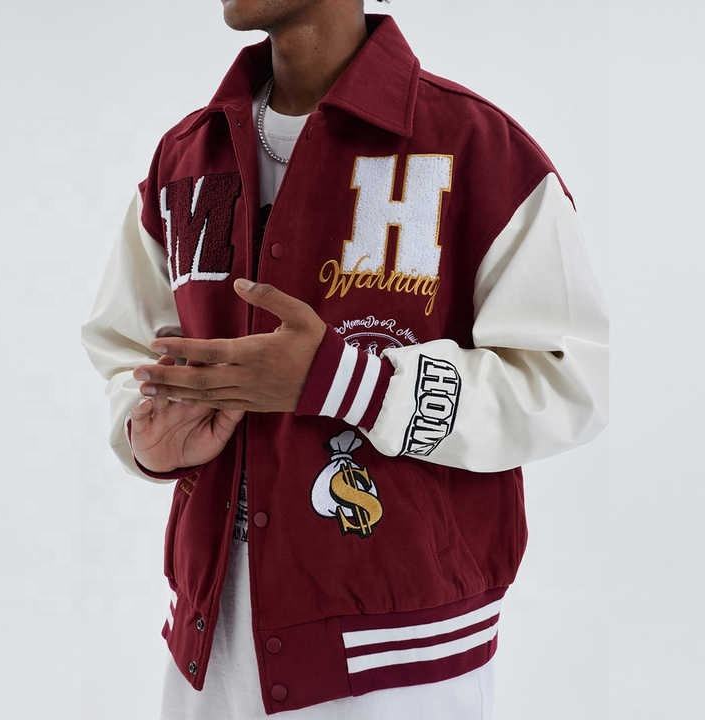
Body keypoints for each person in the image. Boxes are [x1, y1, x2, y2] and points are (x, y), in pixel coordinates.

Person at [81, 1, 609, 718]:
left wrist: (349, 383)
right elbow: (123, 347)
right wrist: (145, 434)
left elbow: (568, 380)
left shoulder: (480, 149)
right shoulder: (186, 159)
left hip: (400, 662)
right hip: (209, 650)